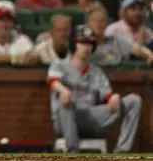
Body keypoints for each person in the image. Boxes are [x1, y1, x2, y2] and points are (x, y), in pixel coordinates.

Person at [47, 25, 141, 153]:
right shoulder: (60, 65)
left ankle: (121, 151)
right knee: (65, 102)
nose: (86, 47)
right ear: (74, 44)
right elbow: (53, 81)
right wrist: (63, 91)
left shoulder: (97, 72)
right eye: (82, 43)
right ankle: (72, 151)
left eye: (90, 43)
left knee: (133, 101)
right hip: (66, 119)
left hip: (91, 117)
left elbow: (107, 95)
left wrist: (114, 98)